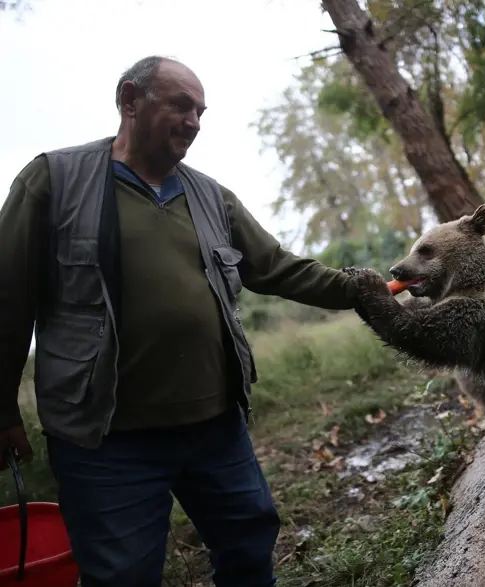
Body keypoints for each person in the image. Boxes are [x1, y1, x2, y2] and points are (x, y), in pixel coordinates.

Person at [0, 55, 361, 587]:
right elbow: (7, 297)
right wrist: (2, 405)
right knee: (122, 576)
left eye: (200, 111)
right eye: (180, 105)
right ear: (129, 101)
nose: (194, 121)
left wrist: (367, 288)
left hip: (214, 428)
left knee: (248, 545)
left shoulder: (211, 196)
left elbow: (280, 269)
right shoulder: (53, 180)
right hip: (106, 440)